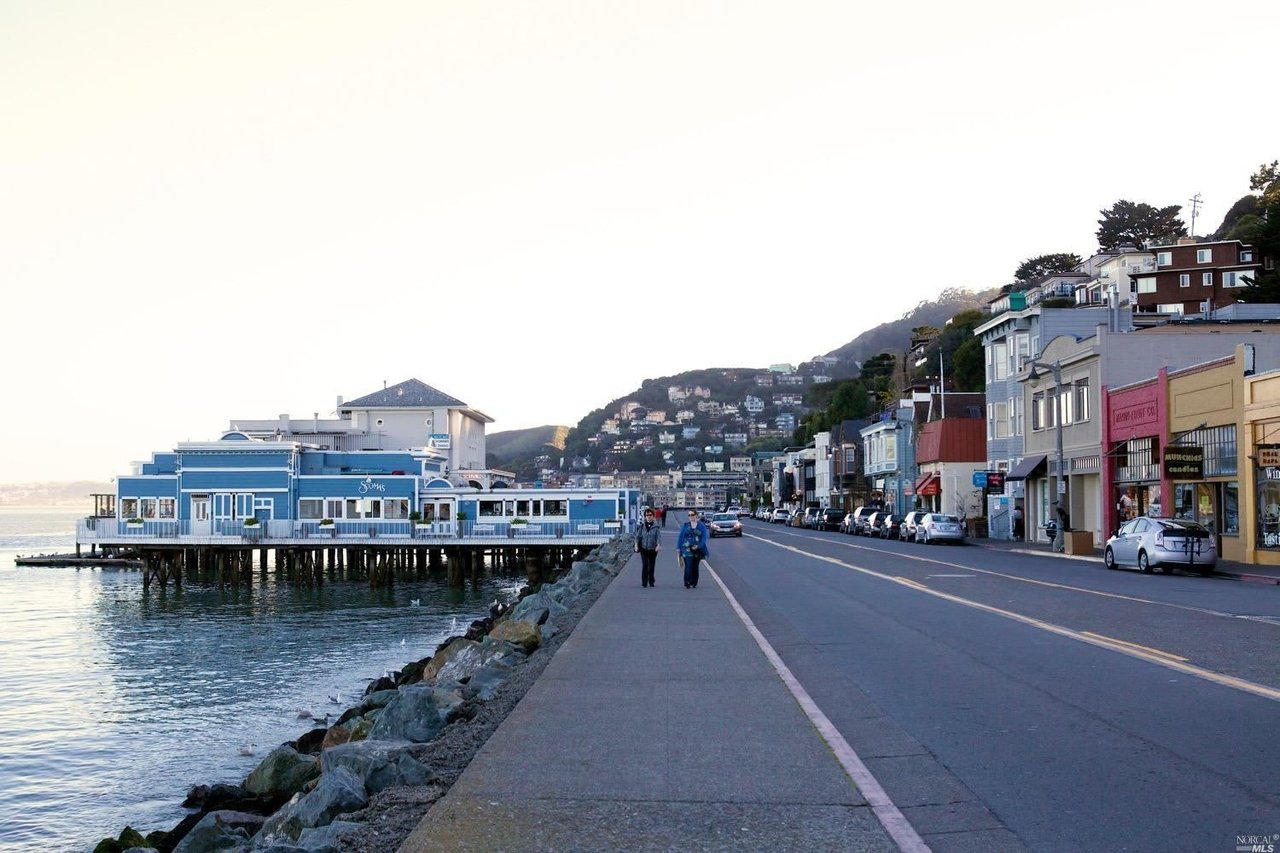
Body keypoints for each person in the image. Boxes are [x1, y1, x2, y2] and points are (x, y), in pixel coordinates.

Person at [677, 510, 710, 589]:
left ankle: (694, 582)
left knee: (695, 566)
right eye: (689, 515)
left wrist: (699, 546)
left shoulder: (701, 526)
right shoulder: (685, 525)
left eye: (692, 515)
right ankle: (687, 582)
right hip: (686, 548)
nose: (690, 516)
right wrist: (678, 547)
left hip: (697, 549)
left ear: (696, 516)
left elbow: (704, 537)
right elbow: (681, 537)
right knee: (688, 565)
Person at [634, 508, 662, 587]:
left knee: (651, 566)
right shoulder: (642, 527)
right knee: (645, 565)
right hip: (644, 549)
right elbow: (638, 537)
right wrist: (636, 545)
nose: (648, 517)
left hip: (653, 549)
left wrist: (658, 545)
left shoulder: (656, 527)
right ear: (645, 517)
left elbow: (658, 537)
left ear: (653, 516)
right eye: (647, 515)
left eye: (650, 515)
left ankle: (651, 580)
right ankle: (644, 582)